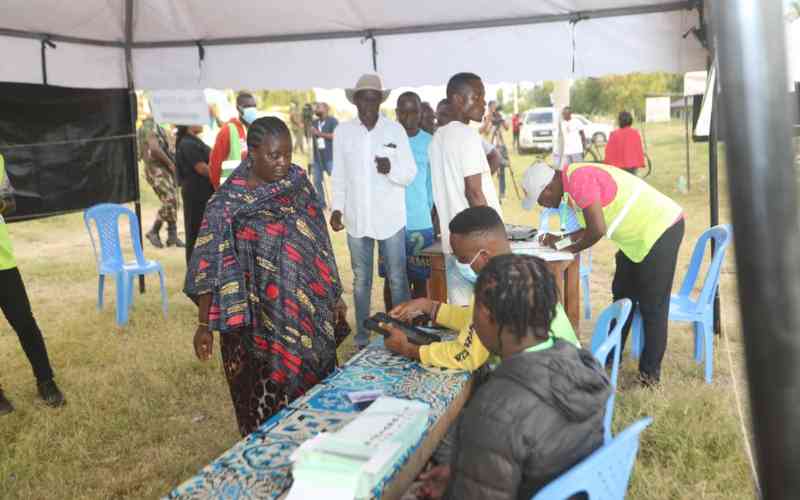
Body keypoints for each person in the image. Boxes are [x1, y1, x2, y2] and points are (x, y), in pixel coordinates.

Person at [185, 117, 348, 436]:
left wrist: (333, 293)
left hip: (307, 312)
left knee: (315, 397)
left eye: (287, 154)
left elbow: (319, 239)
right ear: (252, 152)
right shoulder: (227, 203)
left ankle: (319, 446)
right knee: (266, 407)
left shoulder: (298, 182)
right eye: (274, 156)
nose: (283, 163)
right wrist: (204, 325)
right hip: (257, 325)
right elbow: (207, 266)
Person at [418, 254, 610, 500]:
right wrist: (461, 473)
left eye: (473, 313)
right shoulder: (582, 363)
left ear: (486, 315)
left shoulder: (494, 407)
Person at [522, 162, 685, 384]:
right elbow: (586, 228)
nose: (544, 206)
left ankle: (649, 377)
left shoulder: (578, 180)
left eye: (541, 200)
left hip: (659, 228)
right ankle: (610, 358)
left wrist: (567, 249)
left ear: (548, 188)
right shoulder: (572, 185)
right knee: (623, 296)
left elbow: (596, 230)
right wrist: (560, 242)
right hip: (635, 239)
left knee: (653, 307)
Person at [384, 206, 578, 372]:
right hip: (566, 372)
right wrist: (430, 307)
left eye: (462, 259)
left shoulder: (495, 287)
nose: (459, 264)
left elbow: (466, 356)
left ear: (484, 256)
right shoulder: (521, 271)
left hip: (548, 389)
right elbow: (475, 322)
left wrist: (408, 349)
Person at [330, 73, 417, 349]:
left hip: (390, 218)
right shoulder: (343, 132)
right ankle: (362, 339)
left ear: (380, 101)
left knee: (397, 278)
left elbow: (410, 173)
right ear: (355, 101)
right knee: (360, 281)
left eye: (373, 99)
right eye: (363, 100)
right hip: (357, 218)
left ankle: (401, 334)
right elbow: (339, 174)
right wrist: (336, 208)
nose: (368, 105)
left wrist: (391, 170)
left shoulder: (395, 131)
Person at [429, 72, 503, 306]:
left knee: (462, 314)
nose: (483, 103)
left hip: (454, 243)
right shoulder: (466, 135)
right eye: (478, 97)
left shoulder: (437, 139)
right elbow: (473, 192)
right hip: (478, 246)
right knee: (492, 313)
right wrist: (495, 237)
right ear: (458, 99)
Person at [0, 154, 65, 415]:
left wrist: (2, 203)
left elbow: (9, 202)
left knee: (24, 321)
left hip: (3, 261)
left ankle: (46, 382)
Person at [380, 92, 435, 310]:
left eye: (413, 111)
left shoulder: (430, 143)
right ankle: (391, 326)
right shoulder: (385, 141)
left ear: (421, 114)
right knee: (392, 281)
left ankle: (418, 326)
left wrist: (428, 213)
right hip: (389, 224)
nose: (408, 117)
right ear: (397, 113)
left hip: (420, 224)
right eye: (403, 111)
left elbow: (432, 185)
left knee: (421, 281)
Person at [137, 100, 184, 249]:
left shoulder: (159, 126)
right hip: (156, 170)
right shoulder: (149, 125)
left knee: (173, 200)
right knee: (169, 200)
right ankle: (154, 231)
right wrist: (171, 164)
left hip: (162, 169)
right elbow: (155, 149)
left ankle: (172, 235)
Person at [175, 124, 214, 263]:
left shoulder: (194, 141)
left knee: (202, 232)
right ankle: (193, 269)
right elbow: (202, 168)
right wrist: (219, 174)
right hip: (195, 194)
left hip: (203, 193)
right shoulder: (187, 143)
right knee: (195, 231)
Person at [208, 91, 258, 190]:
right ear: (239, 108)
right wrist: (218, 188)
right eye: (247, 106)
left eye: (254, 106)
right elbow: (215, 164)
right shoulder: (228, 131)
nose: (252, 109)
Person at [310, 103, 338, 210]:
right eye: (316, 107)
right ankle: (322, 202)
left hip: (330, 157)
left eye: (319, 107)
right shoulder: (314, 122)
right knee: (317, 181)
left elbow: (335, 136)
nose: (316, 109)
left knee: (335, 182)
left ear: (326, 109)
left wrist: (319, 133)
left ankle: (338, 204)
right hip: (317, 157)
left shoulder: (333, 121)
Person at [605, 110, 646, 175]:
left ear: (619, 122)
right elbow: (638, 150)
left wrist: (608, 163)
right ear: (630, 121)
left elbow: (609, 152)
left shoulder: (614, 134)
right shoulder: (635, 133)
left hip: (618, 167)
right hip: (632, 165)